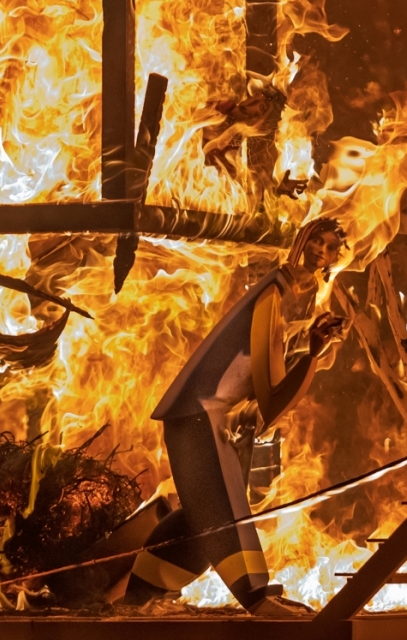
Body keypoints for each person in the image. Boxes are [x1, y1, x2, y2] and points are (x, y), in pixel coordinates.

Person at [122, 218, 348, 615]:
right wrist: (313, 353)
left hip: (215, 419)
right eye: (316, 239)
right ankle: (258, 599)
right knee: (225, 511)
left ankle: (136, 600)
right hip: (200, 415)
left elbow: (268, 380)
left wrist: (309, 349)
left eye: (330, 247)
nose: (320, 250)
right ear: (301, 238)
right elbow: (274, 396)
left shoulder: (287, 298)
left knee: (199, 523)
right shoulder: (273, 293)